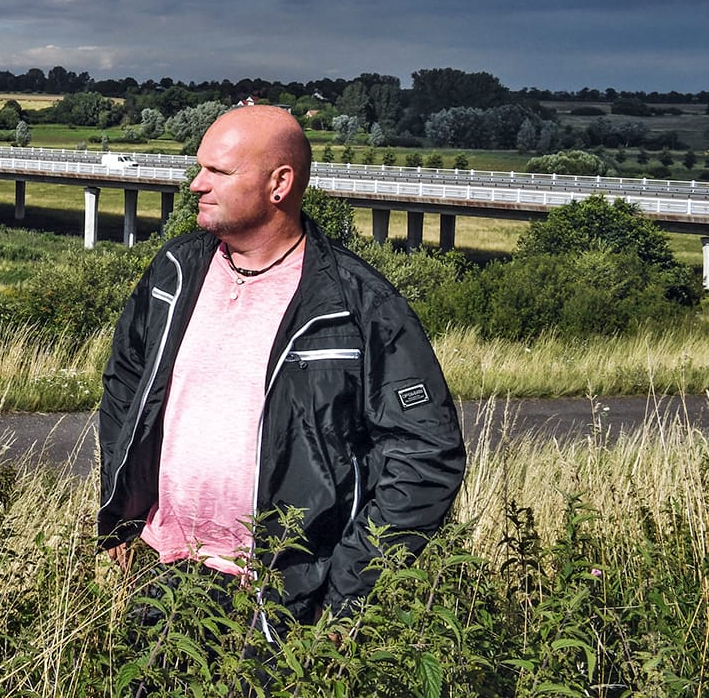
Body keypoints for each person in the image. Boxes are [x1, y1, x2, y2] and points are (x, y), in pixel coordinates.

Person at [97, 105, 465, 637]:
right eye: (200, 167)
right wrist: (124, 515)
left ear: (280, 183)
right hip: (163, 570)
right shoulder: (174, 270)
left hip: (287, 594)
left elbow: (426, 453)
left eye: (219, 172)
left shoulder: (357, 304)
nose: (196, 184)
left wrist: (348, 591)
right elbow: (125, 387)